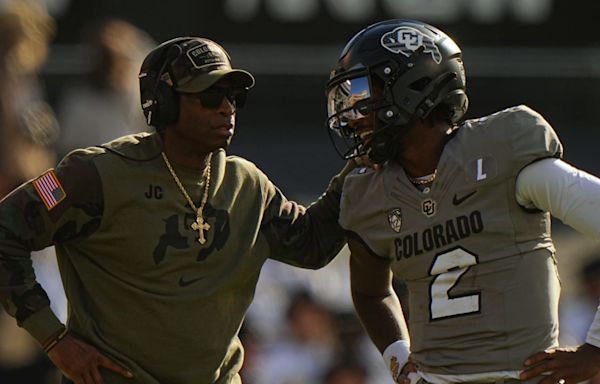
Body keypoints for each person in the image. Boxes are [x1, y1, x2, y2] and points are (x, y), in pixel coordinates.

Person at [0, 36, 353, 384]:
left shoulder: (247, 184)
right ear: (165, 102)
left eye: (233, 96)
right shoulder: (95, 175)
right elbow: (6, 228)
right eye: (211, 94)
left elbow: (312, 245)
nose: (226, 107)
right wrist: (53, 338)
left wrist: (360, 168)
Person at [325, 19, 600, 384]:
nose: (352, 114)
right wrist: (398, 358)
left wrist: (595, 351)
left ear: (411, 87)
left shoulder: (503, 156)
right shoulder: (369, 191)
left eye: (362, 93)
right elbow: (369, 291)